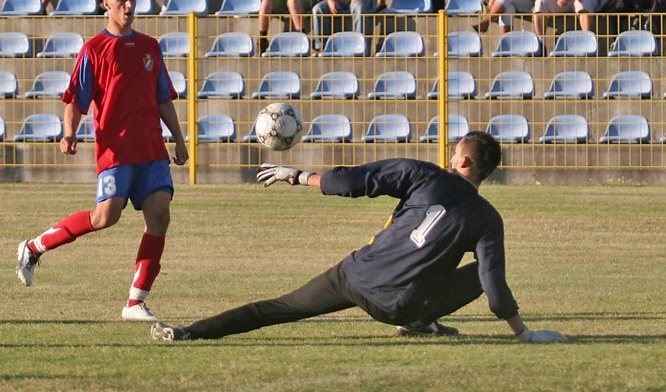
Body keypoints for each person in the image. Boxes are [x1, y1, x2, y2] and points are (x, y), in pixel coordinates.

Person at [150, 131, 569, 345]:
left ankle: (189, 333)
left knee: (277, 308)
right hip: (399, 305)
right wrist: (523, 333)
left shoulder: (422, 173)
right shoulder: (487, 218)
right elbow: (495, 289)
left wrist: (296, 176)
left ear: (460, 159)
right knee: (481, 271)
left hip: (354, 276)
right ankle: (421, 322)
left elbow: (353, 182)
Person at [15, 0, 189, 322]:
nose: (129, 6)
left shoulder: (150, 47)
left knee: (160, 215)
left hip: (152, 150)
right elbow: (74, 100)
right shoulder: (94, 50)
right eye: (122, 0)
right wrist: (68, 133)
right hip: (116, 150)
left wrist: (180, 140)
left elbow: (163, 98)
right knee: (105, 217)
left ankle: (135, 302)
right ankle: (34, 247)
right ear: (106, 5)